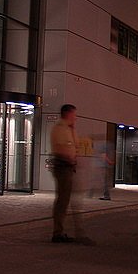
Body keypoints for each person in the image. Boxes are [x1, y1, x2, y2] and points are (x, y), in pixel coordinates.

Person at [50, 104, 79, 243]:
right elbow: (62, 149)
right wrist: (71, 160)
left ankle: (59, 231)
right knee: (62, 200)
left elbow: (75, 145)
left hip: (67, 167)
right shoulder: (60, 128)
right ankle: (57, 232)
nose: (76, 117)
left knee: (64, 199)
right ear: (67, 114)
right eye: (74, 114)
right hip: (63, 167)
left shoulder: (68, 128)